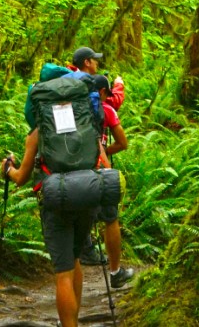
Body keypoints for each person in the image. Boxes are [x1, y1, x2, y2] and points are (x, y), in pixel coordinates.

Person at [3, 55, 117, 327]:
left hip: (55, 201)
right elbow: (104, 163)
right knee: (75, 258)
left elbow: (21, 178)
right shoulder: (87, 125)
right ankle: (73, 320)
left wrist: (7, 169)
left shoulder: (38, 132)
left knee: (63, 270)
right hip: (87, 197)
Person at [70, 47, 135, 289]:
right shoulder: (104, 109)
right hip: (98, 168)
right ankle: (116, 272)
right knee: (110, 217)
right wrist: (103, 153)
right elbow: (123, 142)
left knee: (76, 221)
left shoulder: (68, 103)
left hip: (69, 170)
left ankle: (76, 269)